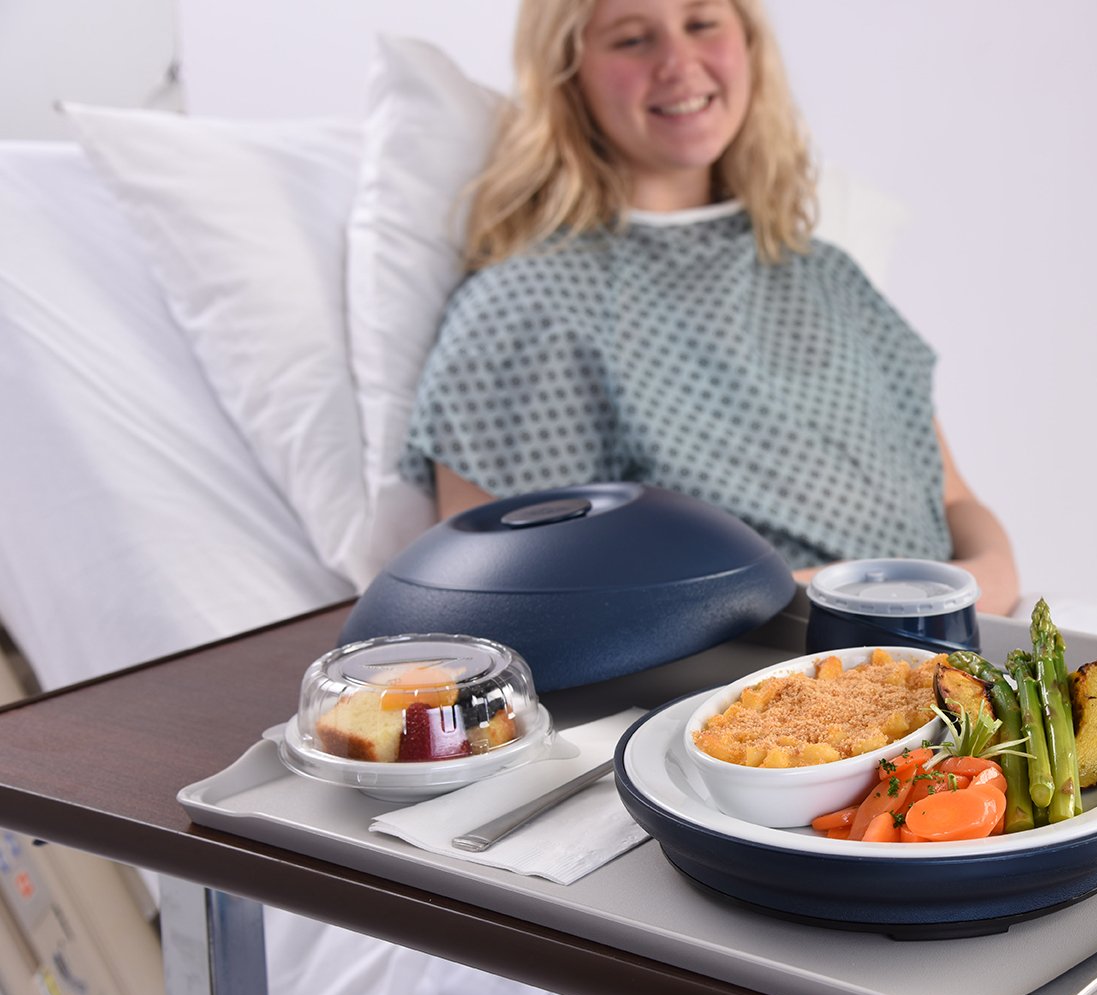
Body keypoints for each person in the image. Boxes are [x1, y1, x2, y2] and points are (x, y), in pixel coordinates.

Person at [399, 0, 1019, 614]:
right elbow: (505, 601)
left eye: (701, 24)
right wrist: (870, 601)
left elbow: (955, 502)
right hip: (769, 677)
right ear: (568, 72)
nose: (679, 61)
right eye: (632, 39)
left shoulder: (825, 273)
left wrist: (980, 582)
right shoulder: (529, 306)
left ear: (748, 43)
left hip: (962, 637)